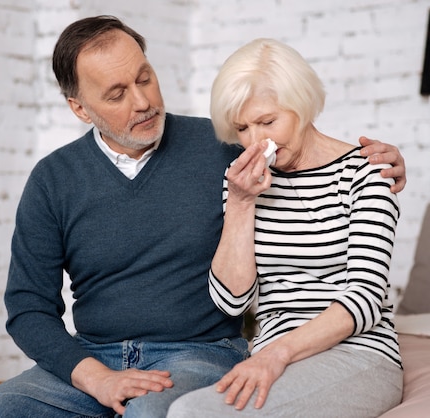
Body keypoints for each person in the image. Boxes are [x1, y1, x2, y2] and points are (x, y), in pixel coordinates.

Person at [0, 17, 406, 418]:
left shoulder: (224, 147)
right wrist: (94, 377)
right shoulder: (52, 179)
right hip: (93, 357)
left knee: (154, 415)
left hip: (196, 354)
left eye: (145, 78)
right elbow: (28, 309)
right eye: (117, 93)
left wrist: (382, 163)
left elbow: (304, 158)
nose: (142, 102)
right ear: (80, 108)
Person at [167, 38, 403, 418]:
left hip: (358, 353)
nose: (256, 141)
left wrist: (277, 354)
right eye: (242, 128)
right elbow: (231, 301)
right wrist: (241, 204)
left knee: (193, 413)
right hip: (273, 356)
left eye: (268, 122)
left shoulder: (366, 173)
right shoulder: (244, 183)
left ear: (303, 106)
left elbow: (365, 298)